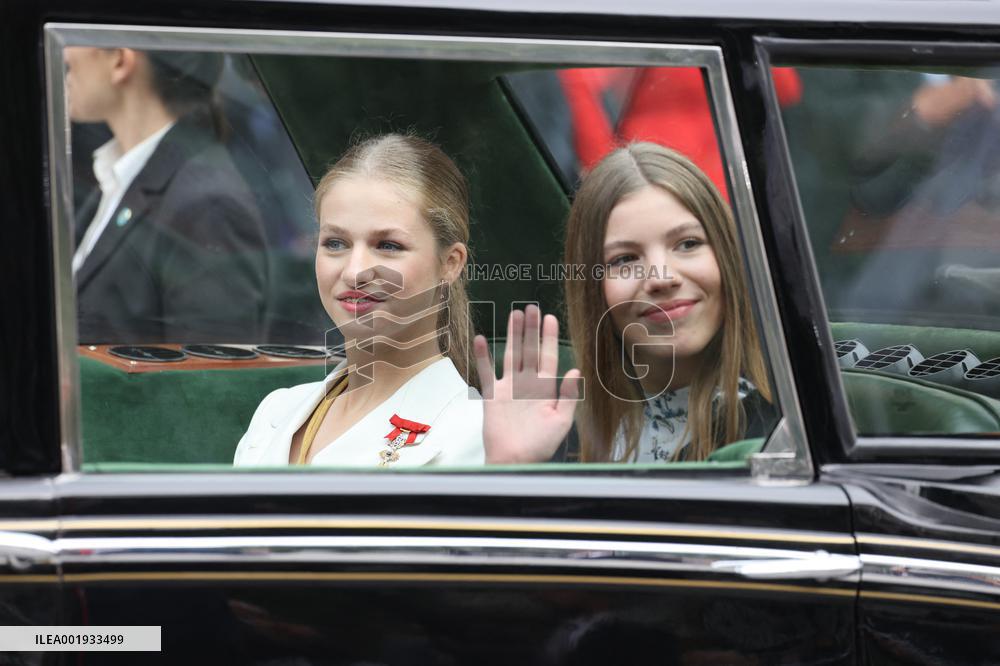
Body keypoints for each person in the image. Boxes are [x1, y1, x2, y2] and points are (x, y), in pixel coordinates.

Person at [477, 142, 774, 464]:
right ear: (592, 290)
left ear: (727, 255)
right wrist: (513, 467)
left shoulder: (794, 430)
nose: (661, 277)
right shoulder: (557, 441)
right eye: (625, 259)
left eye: (688, 244)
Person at [234, 134, 484, 467]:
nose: (355, 272)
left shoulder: (473, 430)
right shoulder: (275, 411)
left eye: (388, 246)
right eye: (336, 243)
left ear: (450, 263)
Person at [65, 47, 268, 343]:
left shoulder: (207, 205)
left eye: (80, 37)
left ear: (121, 60)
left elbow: (210, 381)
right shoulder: (121, 175)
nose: (67, 53)